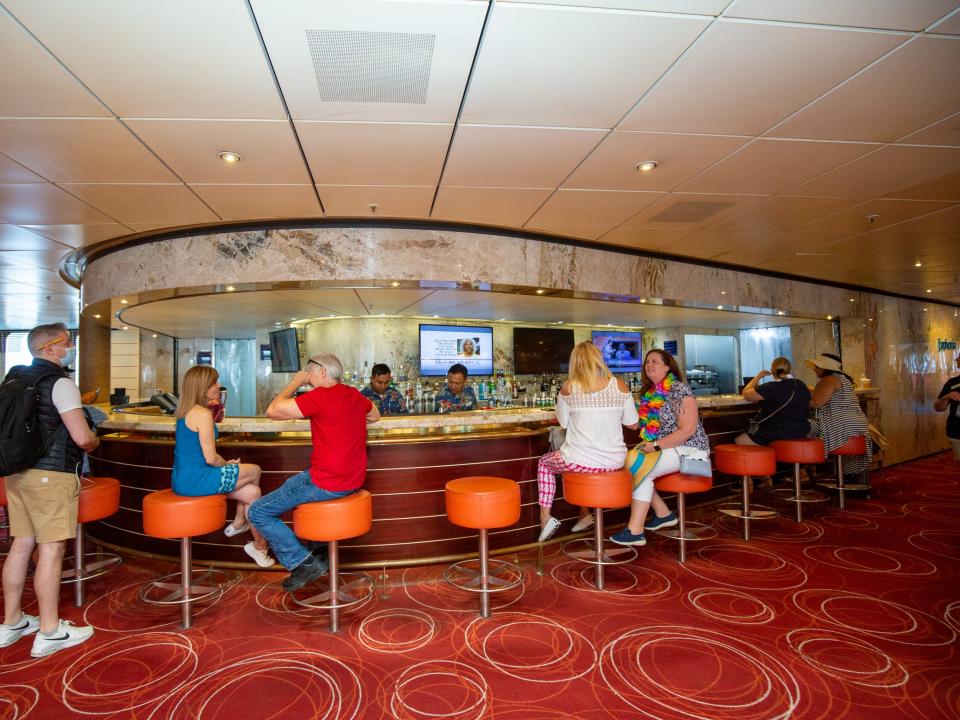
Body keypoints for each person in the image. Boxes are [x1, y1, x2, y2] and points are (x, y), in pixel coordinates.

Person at [0, 323, 98, 657]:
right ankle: (50, 631)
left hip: (17, 474)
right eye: (67, 343)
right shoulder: (59, 383)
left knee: (21, 544)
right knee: (52, 549)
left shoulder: (14, 379)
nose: (69, 347)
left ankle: (11, 622)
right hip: (51, 475)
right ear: (50, 348)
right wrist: (94, 441)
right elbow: (82, 437)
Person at [251, 352, 379, 591]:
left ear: (322, 372)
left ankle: (302, 562)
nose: (307, 376)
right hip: (353, 481)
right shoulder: (353, 394)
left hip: (326, 483)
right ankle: (319, 550)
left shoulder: (318, 397)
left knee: (258, 511)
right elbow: (375, 415)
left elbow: (272, 410)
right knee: (296, 482)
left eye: (309, 371)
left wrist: (295, 382)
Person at [537, 342, 639, 542]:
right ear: (598, 358)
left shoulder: (569, 387)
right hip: (615, 462)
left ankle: (545, 518)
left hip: (582, 461)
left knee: (546, 463)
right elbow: (633, 424)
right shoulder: (618, 384)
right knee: (575, 461)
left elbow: (563, 422)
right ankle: (584, 515)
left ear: (574, 362)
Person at [172, 366, 272, 567]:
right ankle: (239, 521)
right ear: (202, 386)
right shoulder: (201, 413)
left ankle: (259, 547)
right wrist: (227, 464)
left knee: (253, 492)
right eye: (214, 382)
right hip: (197, 479)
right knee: (254, 470)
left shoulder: (186, 411)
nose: (218, 386)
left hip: (184, 480)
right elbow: (210, 458)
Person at [610, 349, 711, 547]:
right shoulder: (650, 394)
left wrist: (656, 446)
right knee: (632, 463)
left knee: (636, 466)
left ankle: (636, 530)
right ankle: (663, 514)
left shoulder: (678, 390)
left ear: (667, 367)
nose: (649, 365)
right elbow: (636, 424)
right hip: (667, 448)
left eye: (655, 361)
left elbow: (688, 430)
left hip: (689, 449)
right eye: (647, 362)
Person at [807, 353, 871, 474]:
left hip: (841, 427)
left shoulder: (828, 379)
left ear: (825, 368)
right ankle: (843, 476)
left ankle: (805, 471)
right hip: (857, 427)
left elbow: (816, 402)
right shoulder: (842, 379)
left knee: (801, 428)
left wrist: (797, 396)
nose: (815, 369)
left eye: (817, 367)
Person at [736, 357, 811, 446]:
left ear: (772, 371)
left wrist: (758, 377)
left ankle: (766, 459)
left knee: (739, 440)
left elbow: (745, 394)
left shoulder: (770, 387)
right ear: (789, 370)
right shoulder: (801, 384)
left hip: (776, 432)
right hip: (800, 431)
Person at [935, 354, 960, 460]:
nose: (956, 359)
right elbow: (938, 407)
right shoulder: (952, 383)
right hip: (956, 430)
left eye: (959, 357)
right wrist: (946, 397)